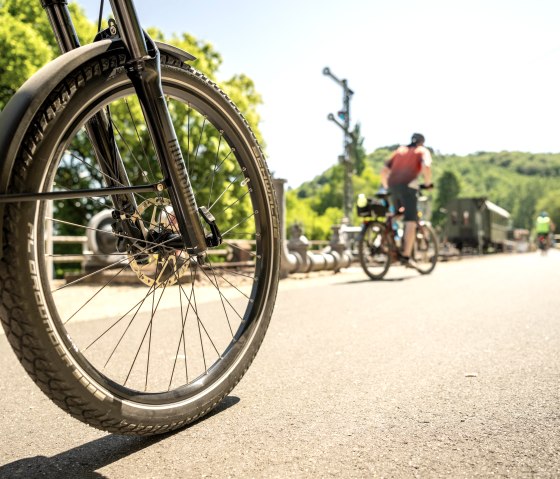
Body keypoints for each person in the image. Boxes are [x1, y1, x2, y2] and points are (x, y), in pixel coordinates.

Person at [380, 133, 433, 269]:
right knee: (411, 219)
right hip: (409, 186)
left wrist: (387, 188)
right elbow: (426, 167)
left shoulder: (399, 151)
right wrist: (428, 184)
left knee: (397, 213)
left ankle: (387, 238)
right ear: (422, 142)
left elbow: (384, 171)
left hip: (392, 185)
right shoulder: (422, 151)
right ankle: (406, 256)